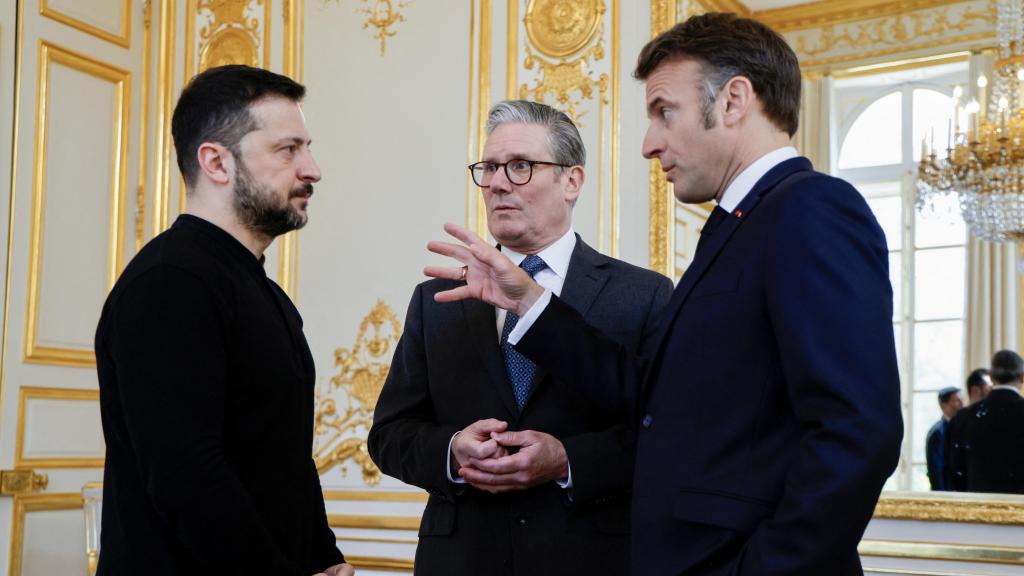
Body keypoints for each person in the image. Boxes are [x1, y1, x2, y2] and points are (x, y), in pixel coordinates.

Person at [424, 13, 902, 575]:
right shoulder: (741, 224)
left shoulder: (811, 209)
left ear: (733, 101)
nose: (650, 144)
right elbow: (654, 399)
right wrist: (530, 301)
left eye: (663, 112)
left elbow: (857, 431)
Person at [368, 100, 672, 576]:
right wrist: (452, 450)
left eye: (520, 166)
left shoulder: (643, 294)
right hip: (462, 559)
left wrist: (567, 460)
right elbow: (389, 435)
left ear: (572, 181)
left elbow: (666, 436)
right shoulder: (436, 299)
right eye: (489, 168)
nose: (497, 183)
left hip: (590, 559)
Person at [94, 65, 352, 576]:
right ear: (216, 161)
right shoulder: (169, 283)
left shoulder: (264, 293)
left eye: (307, 148)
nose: (312, 169)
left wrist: (326, 559)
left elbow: (287, 463)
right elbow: (185, 477)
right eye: (288, 149)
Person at [946, 350, 1024, 494]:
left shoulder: (964, 416)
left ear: (991, 376)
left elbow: (955, 472)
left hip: (977, 507)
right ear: (1022, 377)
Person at [925, 386, 963, 490]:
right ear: (943, 405)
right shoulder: (938, 432)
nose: (961, 404)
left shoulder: (961, 427)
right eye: (957, 400)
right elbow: (936, 469)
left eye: (961, 400)